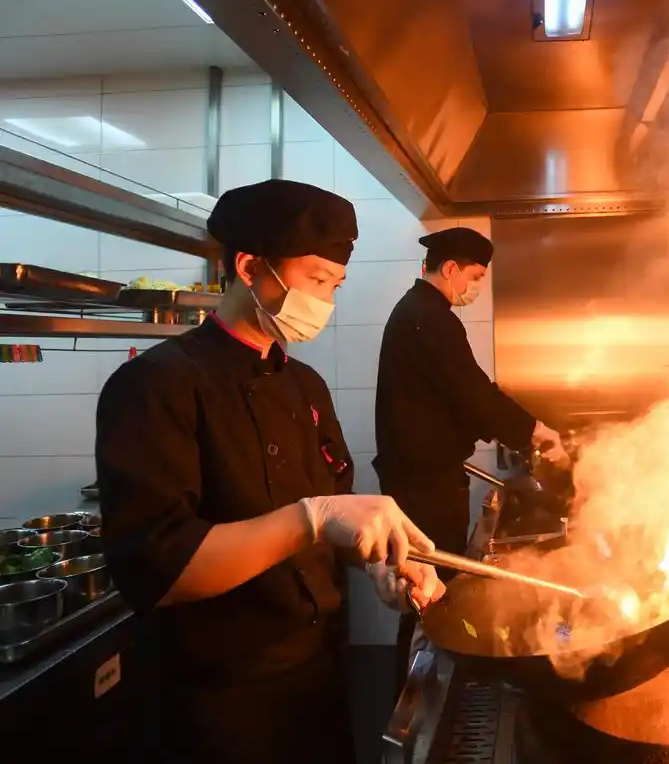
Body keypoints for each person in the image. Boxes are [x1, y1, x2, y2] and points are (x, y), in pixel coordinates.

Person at [96, 179, 443, 764]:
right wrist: (311, 518)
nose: (326, 301)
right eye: (314, 280)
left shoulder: (304, 386)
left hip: (319, 683)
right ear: (250, 266)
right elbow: (159, 570)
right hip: (217, 707)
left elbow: (339, 514)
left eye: (335, 285)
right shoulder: (156, 386)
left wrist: (382, 566)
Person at [373, 226, 569, 675]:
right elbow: (473, 394)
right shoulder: (428, 316)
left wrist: (519, 426)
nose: (477, 287)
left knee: (424, 586)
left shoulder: (420, 312)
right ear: (450, 269)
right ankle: (416, 687)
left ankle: (421, 674)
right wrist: (536, 432)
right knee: (424, 590)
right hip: (422, 485)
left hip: (422, 476)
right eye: (476, 276)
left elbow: (465, 394)